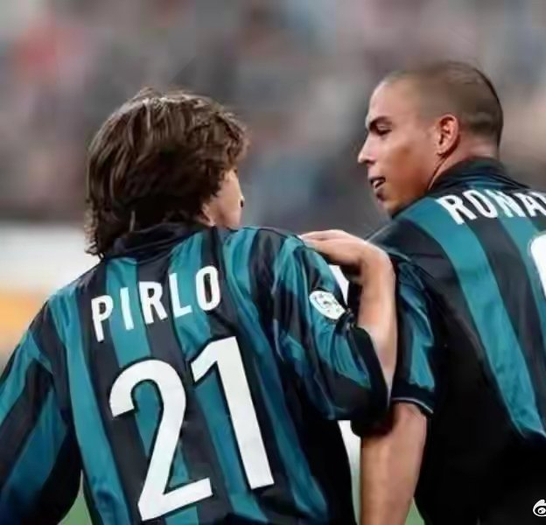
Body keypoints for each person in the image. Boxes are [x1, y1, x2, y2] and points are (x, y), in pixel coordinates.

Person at [304, 61, 546, 524]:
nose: (364, 154)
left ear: (444, 134)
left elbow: (400, 417)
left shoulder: (402, 253)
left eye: (382, 130)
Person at [0, 89, 397, 524]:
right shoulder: (265, 260)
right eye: (233, 172)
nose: (242, 196)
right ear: (204, 186)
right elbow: (356, 386)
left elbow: (9, 489)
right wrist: (377, 274)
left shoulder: (64, 322)